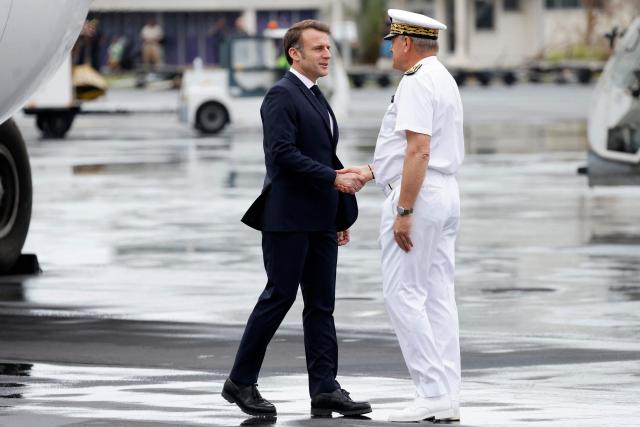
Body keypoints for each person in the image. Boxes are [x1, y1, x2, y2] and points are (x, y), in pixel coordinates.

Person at [221, 20, 371, 419]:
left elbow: (322, 155)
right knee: (279, 297)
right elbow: (282, 155)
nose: (327, 54)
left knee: (322, 305)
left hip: (320, 218)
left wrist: (337, 209)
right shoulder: (280, 96)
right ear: (295, 53)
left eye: (328, 48)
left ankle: (325, 389)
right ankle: (241, 380)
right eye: (318, 48)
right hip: (286, 219)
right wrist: (334, 179)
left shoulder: (316, 96)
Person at [339, 9, 464, 423]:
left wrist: (405, 209)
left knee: (403, 296)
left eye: (394, 41)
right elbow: (409, 149)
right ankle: (446, 394)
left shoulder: (415, 81)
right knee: (438, 296)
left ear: (407, 43)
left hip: (420, 194)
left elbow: (418, 149)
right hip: (443, 191)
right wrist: (372, 171)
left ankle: (430, 393)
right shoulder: (441, 77)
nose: (391, 47)